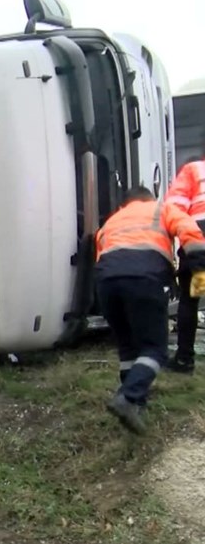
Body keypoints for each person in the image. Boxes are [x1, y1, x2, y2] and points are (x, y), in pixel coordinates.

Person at [95, 187, 205, 433]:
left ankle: (136, 405)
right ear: (149, 199)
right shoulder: (162, 209)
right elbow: (191, 234)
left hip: (106, 284)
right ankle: (129, 397)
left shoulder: (113, 220)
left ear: (126, 203)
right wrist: (199, 272)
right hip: (144, 278)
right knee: (155, 349)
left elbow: (99, 252)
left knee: (128, 348)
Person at [166, 155, 205, 374]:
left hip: (199, 242)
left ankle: (184, 360)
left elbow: (174, 208)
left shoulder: (193, 169)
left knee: (191, 300)